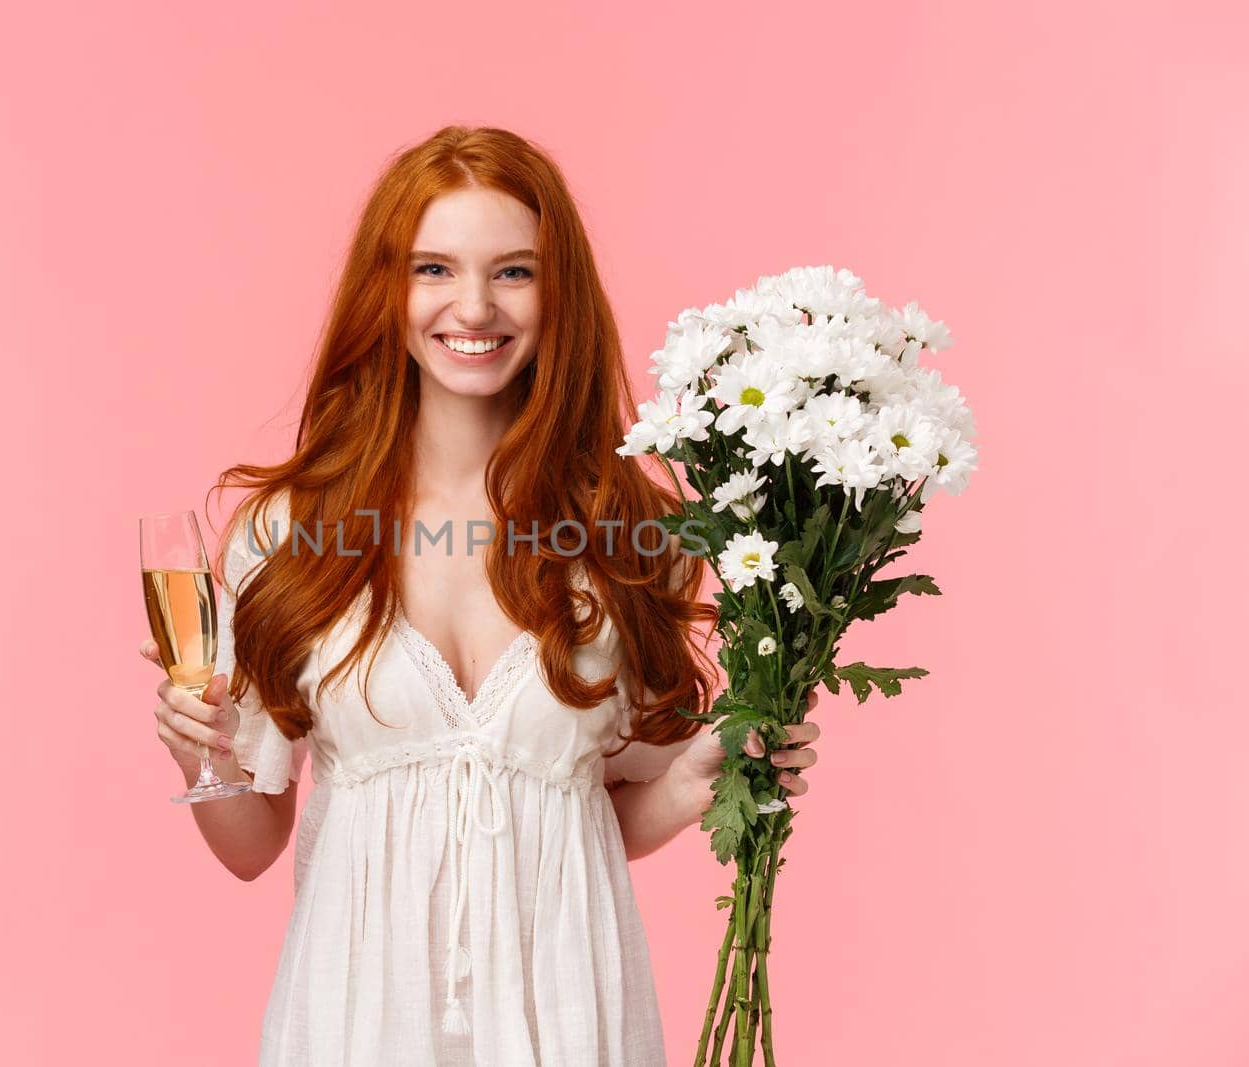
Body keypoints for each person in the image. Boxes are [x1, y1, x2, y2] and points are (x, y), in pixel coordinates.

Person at [142, 125, 820, 1066]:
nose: (473, 305)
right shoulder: (290, 531)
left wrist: (696, 778)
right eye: (433, 268)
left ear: (558, 294)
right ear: (389, 289)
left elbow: (592, 816)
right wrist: (202, 757)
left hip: (571, 1020)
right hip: (355, 1023)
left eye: (513, 272)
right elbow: (253, 842)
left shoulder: (630, 534)